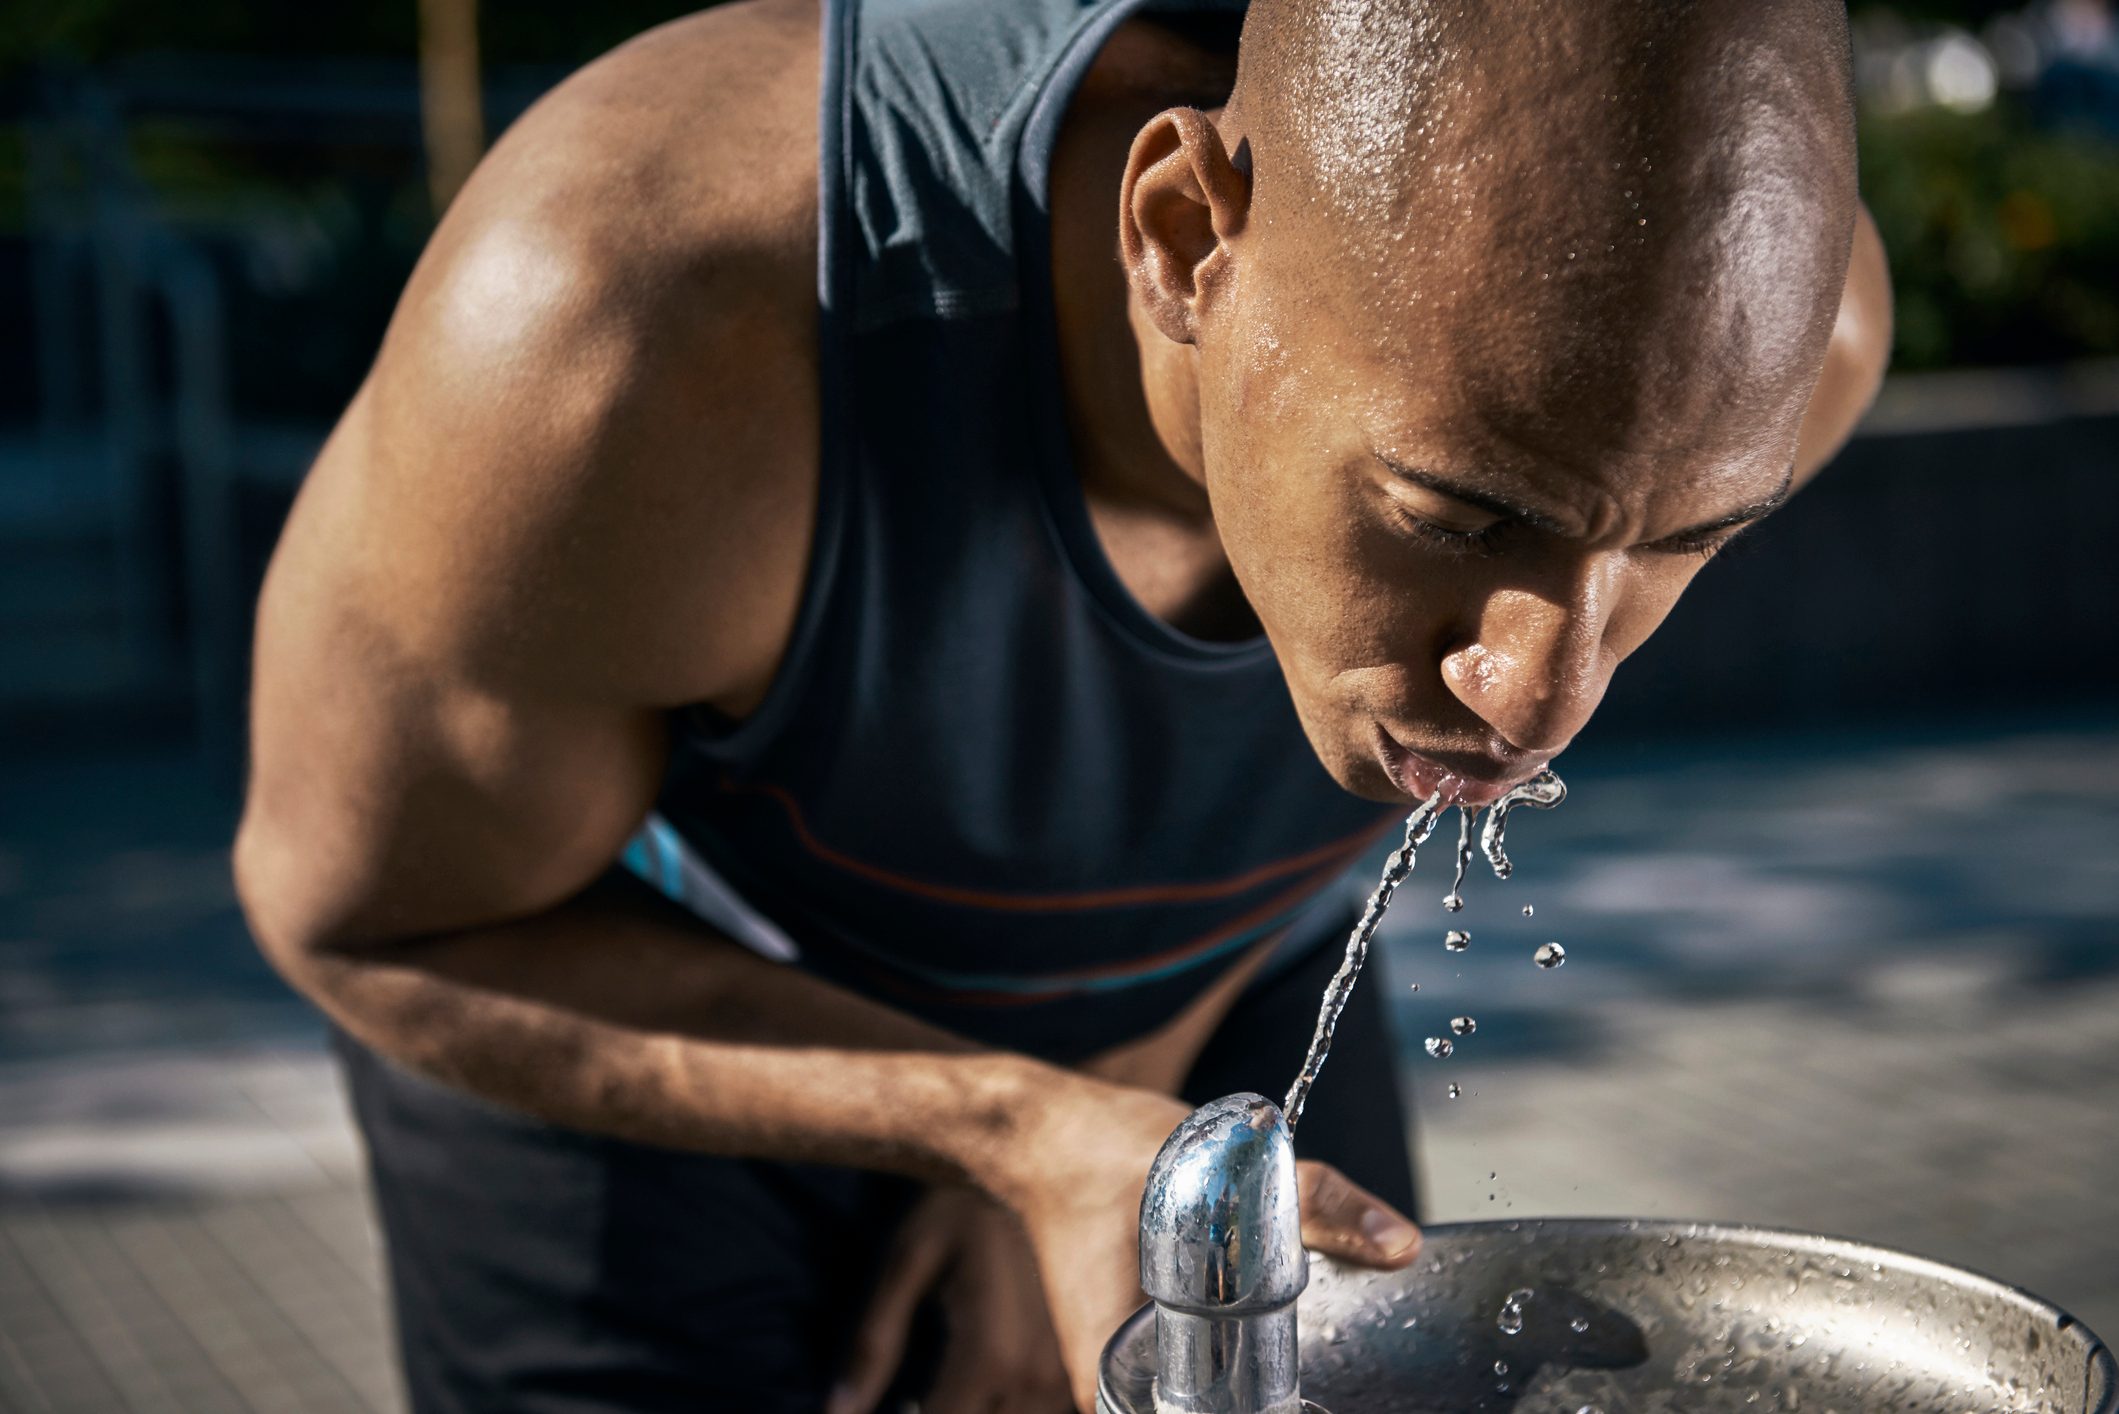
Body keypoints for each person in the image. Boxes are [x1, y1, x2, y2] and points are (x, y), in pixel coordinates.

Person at [233, 0, 1891, 1408]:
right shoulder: (641, 338)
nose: (1543, 696)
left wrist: (1119, 1098)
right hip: (670, 1010)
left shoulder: (1777, 357)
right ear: (1185, 244)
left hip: (1201, 987)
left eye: (1685, 541)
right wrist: (1008, 1125)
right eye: (1456, 514)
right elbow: (374, 922)